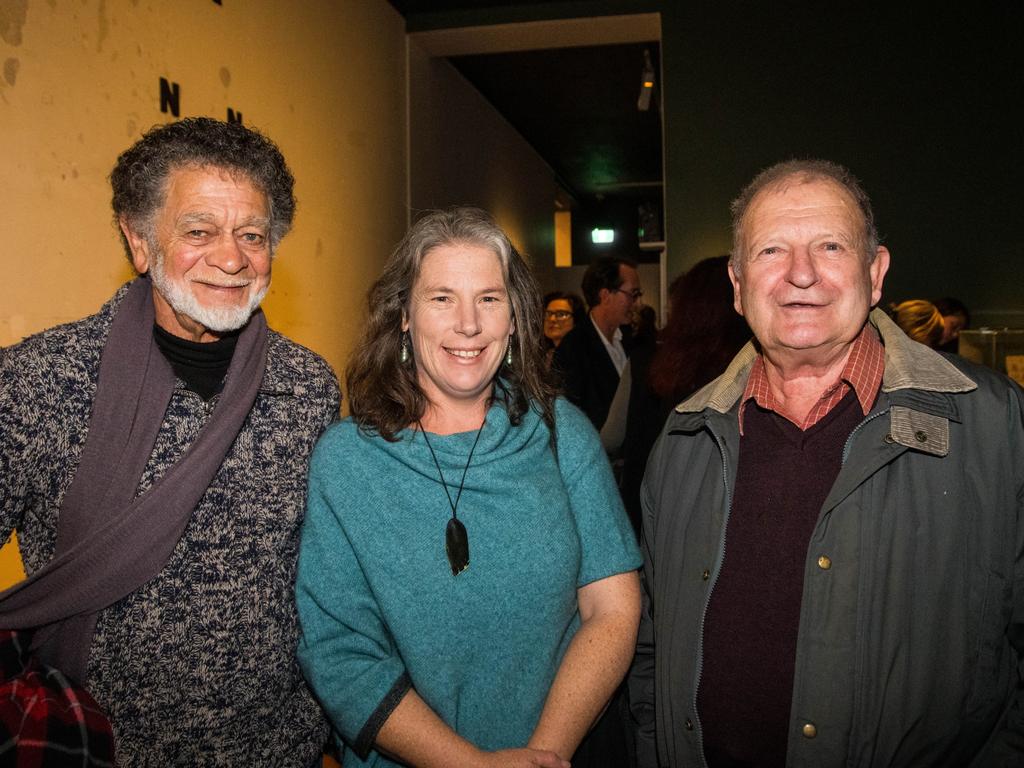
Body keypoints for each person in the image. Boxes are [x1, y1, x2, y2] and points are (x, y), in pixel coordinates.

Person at [630, 159, 1024, 767]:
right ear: (737, 285)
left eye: (830, 246)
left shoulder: (996, 428)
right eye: (771, 251)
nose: (801, 275)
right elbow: (652, 645)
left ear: (876, 272)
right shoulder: (684, 439)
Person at [0, 118, 339, 765]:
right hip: (99, 751)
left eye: (252, 235)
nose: (233, 257)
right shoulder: (37, 385)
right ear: (139, 241)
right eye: (199, 231)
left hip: (280, 752)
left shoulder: (309, 388)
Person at [296, 207, 642, 768]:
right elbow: (340, 653)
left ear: (514, 317)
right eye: (441, 298)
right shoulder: (347, 462)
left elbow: (613, 610)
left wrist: (542, 756)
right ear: (404, 316)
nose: (468, 323)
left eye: (488, 297)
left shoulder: (562, 435)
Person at [601, 255, 750, 531]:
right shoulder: (748, 371)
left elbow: (611, 437)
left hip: (649, 517)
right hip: (720, 522)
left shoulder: (646, 362)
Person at [553, 256, 642, 428]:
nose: (637, 302)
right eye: (633, 294)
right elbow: (568, 417)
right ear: (605, 295)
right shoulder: (573, 348)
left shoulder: (633, 340)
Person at [542, 290, 586, 366]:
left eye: (561, 314)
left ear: (576, 320)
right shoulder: (544, 355)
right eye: (548, 313)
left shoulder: (583, 356)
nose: (552, 319)